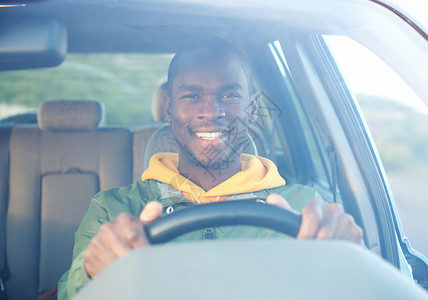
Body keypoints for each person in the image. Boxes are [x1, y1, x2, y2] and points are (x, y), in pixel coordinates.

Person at [57, 39, 364, 299]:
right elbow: (70, 294)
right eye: (191, 96)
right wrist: (93, 274)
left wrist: (352, 262)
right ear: (168, 109)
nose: (211, 112)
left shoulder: (305, 207)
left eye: (230, 95)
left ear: (253, 109)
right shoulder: (113, 209)